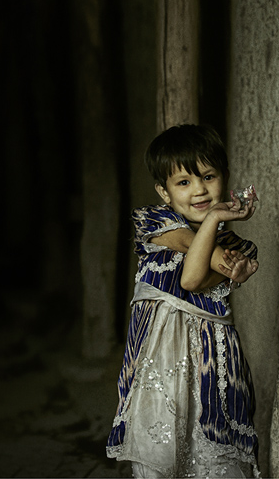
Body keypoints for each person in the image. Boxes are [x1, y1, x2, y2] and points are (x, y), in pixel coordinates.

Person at [106, 124, 261, 478]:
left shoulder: (239, 249)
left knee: (210, 449)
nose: (200, 190)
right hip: (160, 362)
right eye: (184, 182)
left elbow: (194, 277)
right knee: (161, 448)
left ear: (224, 177)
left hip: (211, 362)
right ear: (164, 191)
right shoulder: (155, 221)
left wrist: (217, 230)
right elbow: (194, 268)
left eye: (208, 176)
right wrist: (217, 217)